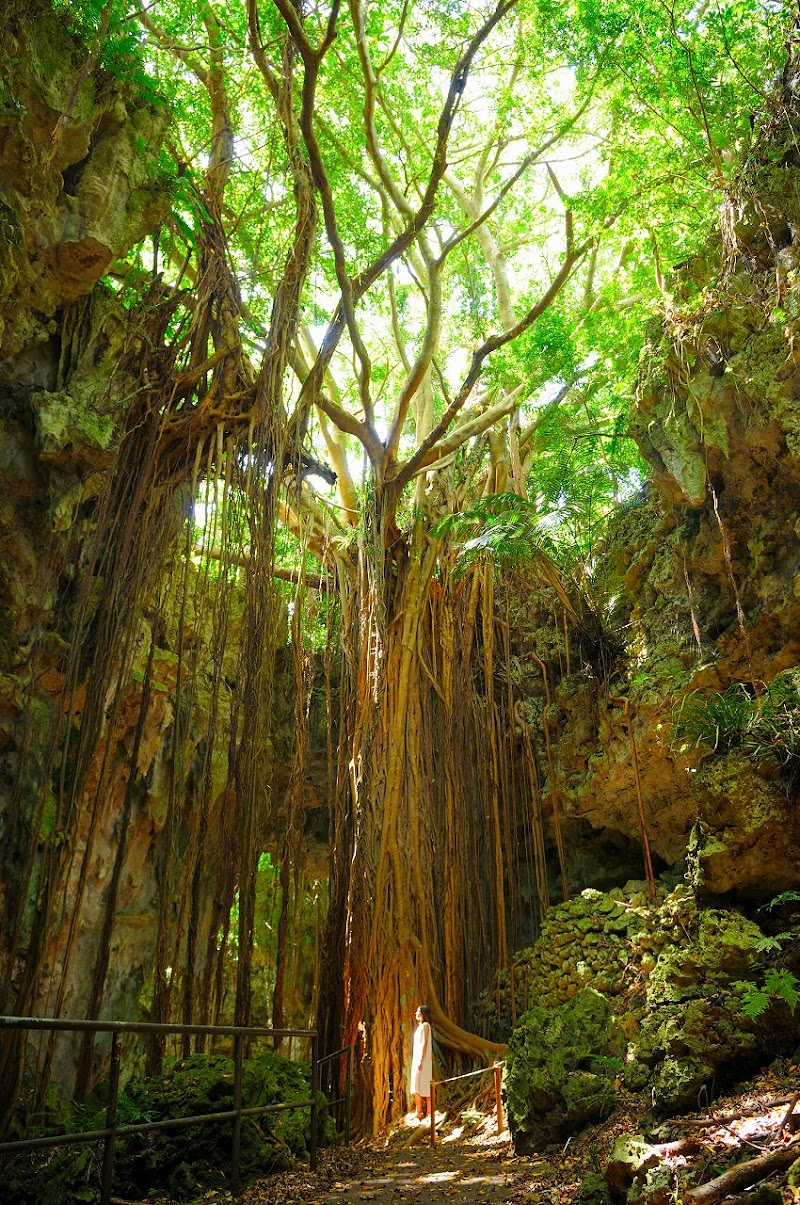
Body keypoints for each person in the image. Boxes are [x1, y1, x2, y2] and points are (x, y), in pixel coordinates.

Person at [410, 1003, 432, 1120]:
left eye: (418, 1011)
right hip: (418, 1058)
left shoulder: (425, 1026)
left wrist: (420, 1060)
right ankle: (419, 1111)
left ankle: (428, 1111)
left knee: (424, 1084)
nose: (416, 1013)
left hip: (422, 1060)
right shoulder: (421, 1026)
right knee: (416, 1085)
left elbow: (424, 1043)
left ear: (423, 1013)